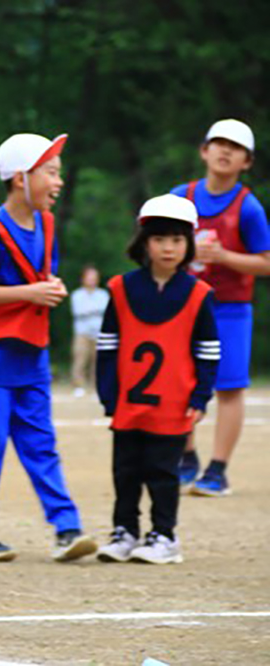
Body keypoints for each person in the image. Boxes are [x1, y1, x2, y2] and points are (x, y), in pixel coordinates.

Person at [0, 132, 96, 563]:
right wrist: (31, 293)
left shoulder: (47, 224)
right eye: (51, 172)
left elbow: (39, 278)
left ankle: (67, 528)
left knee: (41, 444)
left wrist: (49, 287)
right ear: (21, 178)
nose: (59, 181)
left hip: (32, 353)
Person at [96, 195, 219, 564]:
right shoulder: (121, 288)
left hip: (174, 403)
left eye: (177, 240)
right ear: (144, 243)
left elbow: (208, 351)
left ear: (189, 245)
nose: (168, 248)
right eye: (159, 239)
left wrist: (200, 397)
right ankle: (125, 531)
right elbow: (107, 346)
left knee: (164, 473)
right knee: (125, 471)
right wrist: (108, 394)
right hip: (128, 403)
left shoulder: (198, 294)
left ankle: (164, 535)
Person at [171, 119, 270, 497]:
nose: (226, 151)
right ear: (204, 150)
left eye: (236, 147)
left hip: (230, 309)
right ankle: (186, 457)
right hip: (184, 305)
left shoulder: (248, 208)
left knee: (229, 388)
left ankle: (217, 469)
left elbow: (266, 262)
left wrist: (224, 256)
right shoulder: (180, 197)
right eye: (219, 143)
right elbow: (152, 243)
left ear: (247, 161)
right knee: (179, 380)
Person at [69, 265, 109, 397]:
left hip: (99, 332)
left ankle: (96, 387)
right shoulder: (77, 295)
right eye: (89, 277)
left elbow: (106, 312)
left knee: (97, 362)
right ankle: (79, 386)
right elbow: (79, 312)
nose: (92, 280)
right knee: (80, 359)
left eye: (94, 277)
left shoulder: (103, 294)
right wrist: (96, 311)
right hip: (82, 333)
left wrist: (91, 311)